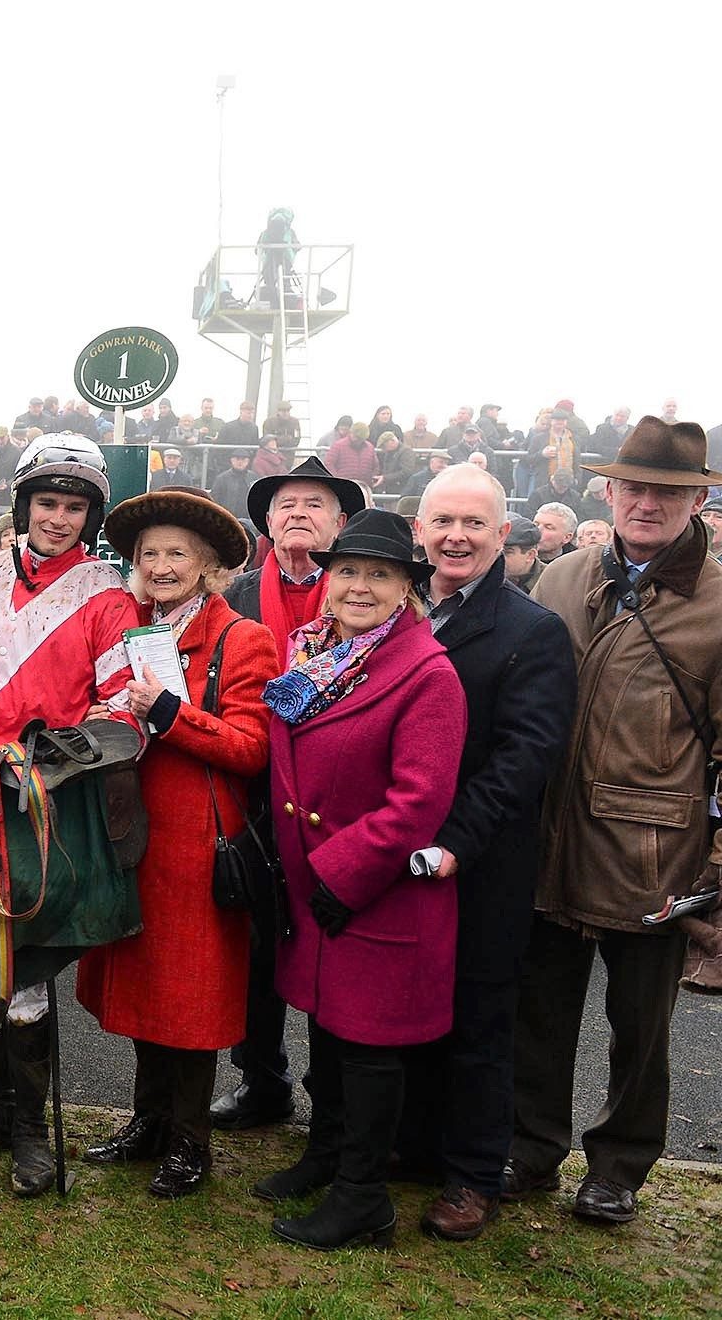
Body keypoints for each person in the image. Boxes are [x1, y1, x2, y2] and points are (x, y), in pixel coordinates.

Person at [510, 418, 722, 1226]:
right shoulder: (561, 576)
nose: (646, 502)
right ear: (607, 490)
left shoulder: (717, 603)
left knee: (640, 1028)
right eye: (633, 486)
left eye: (667, 490)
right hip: (551, 836)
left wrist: (716, 868)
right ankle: (530, 1149)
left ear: (697, 498)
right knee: (541, 1010)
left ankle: (622, 1165)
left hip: (656, 854)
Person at [0, 432, 144, 1198]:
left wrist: (51, 760)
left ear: (92, 513)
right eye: (47, 501)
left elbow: (126, 711)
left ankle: (28, 1130)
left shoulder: (109, 594)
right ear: (23, 504)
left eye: (75, 504)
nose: (59, 516)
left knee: (19, 968)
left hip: (40, 796)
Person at [255, 509, 466, 1249]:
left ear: (408, 588)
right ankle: (326, 1151)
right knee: (326, 1026)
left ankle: (363, 1195)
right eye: (348, 570)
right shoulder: (317, 655)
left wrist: (338, 874)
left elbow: (418, 801)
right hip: (318, 886)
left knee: (370, 1045)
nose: (360, 586)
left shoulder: (426, 672)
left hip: (371, 891)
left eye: (381, 574)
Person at [394, 466, 578, 1240]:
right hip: (398, 856)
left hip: (479, 863)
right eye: (443, 522)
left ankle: (472, 1176)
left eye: (474, 523)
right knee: (405, 1009)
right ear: (420, 531)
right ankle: (412, 1148)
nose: (456, 536)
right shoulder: (392, 616)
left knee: (478, 1021)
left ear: (505, 535)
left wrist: (452, 845)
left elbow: (525, 756)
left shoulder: (531, 630)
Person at [75, 488, 274, 1198]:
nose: (160, 566)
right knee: (146, 986)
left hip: (197, 845)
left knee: (191, 997)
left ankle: (191, 1141)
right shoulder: (127, 630)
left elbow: (251, 747)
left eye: (176, 554)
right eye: (149, 553)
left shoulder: (242, 637)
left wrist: (168, 711)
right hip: (133, 835)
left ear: (209, 564)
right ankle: (148, 1121)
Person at [212, 457, 365, 1131]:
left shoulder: (366, 593)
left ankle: (333, 1093)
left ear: (340, 523)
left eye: (315, 503)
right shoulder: (236, 594)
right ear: (267, 522)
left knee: (336, 943)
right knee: (255, 942)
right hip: (251, 790)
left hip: (337, 798)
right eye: (286, 504)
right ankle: (261, 1078)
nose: (298, 512)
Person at [502, 514, 545, 593]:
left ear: (530, 555)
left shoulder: (549, 581)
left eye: (507, 552)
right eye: (497, 550)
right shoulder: (487, 573)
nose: (499, 557)